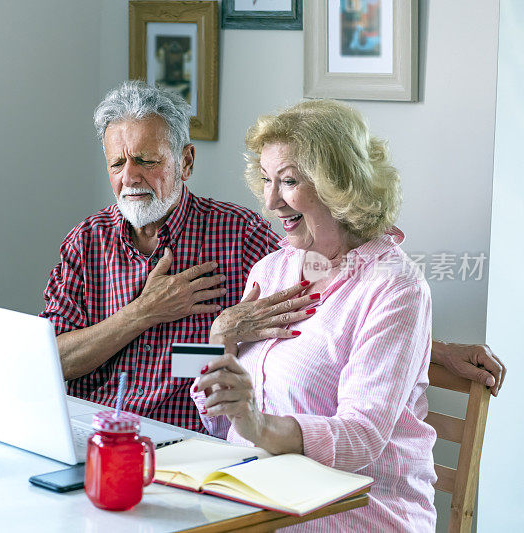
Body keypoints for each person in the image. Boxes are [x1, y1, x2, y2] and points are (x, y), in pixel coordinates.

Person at [40, 81, 506, 433]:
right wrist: (144, 313)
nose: (130, 177)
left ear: (185, 162)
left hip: (189, 439)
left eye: (147, 160)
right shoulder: (87, 241)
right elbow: (51, 361)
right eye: (117, 163)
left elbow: (334, 307)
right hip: (97, 432)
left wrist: (435, 349)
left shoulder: (239, 236)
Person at [192, 99, 436, 530]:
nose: (271, 202)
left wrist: (260, 426)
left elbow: (361, 439)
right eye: (266, 180)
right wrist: (217, 341)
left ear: (338, 184)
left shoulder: (396, 287)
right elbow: (215, 421)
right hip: (255, 499)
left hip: (356, 512)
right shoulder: (272, 269)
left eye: (288, 182)